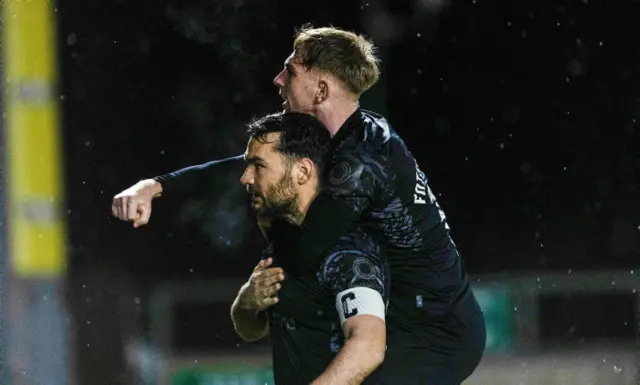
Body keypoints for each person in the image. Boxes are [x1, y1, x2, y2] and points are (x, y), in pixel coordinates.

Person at [112, 26, 485, 384]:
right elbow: (258, 166)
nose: (278, 79)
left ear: (321, 89)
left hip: (436, 332)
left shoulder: (361, 162)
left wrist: (265, 230)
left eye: (289, 70)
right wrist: (156, 186)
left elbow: (302, 251)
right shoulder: (338, 140)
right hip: (406, 316)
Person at [230, 112, 389, 384]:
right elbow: (252, 330)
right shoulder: (283, 242)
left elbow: (368, 344)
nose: (246, 178)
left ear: (302, 171)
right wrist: (247, 302)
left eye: (258, 165)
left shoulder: (348, 250)